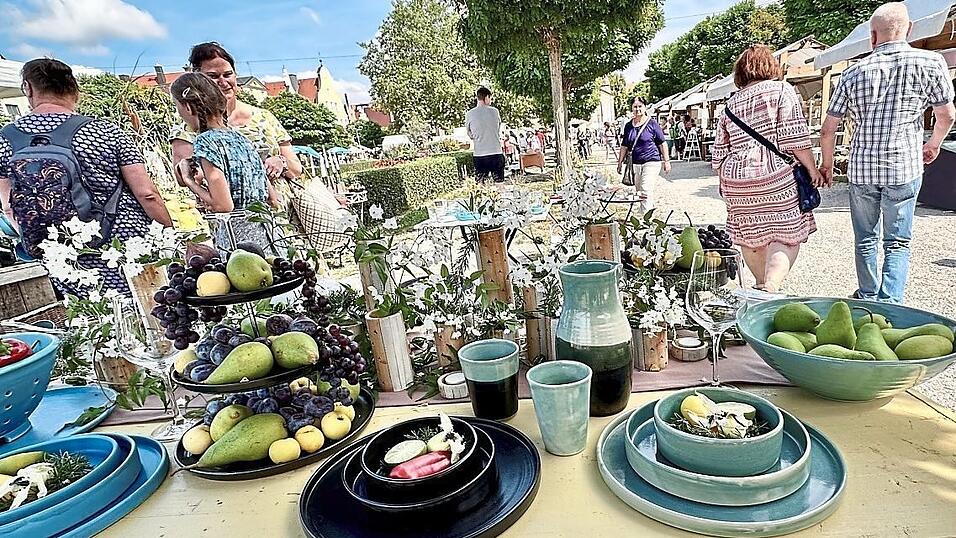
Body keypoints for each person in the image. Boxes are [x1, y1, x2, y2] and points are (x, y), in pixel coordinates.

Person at [820, 2, 955, 303]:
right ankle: (891, 301)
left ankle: (868, 295)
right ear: (908, 30)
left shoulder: (853, 72)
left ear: (872, 36)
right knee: (897, 242)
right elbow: (946, 115)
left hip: (862, 169)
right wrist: (932, 144)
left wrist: (827, 166)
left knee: (865, 239)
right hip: (903, 166)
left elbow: (828, 128)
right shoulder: (931, 62)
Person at [0, 59, 171, 295]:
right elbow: (147, 194)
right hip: (123, 246)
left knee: (93, 320)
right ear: (75, 89)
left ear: (28, 88)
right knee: (148, 316)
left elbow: (9, 208)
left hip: (64, 256)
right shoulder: (106, 131)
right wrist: (169, 235)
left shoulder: (5, 140)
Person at [711, 45, 823, 293]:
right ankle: (771, 285)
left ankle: (760, 286)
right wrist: (813, 170)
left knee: (750, 236)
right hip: (775, 177)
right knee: (784, 233)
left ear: (740, 72)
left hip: (737, 179)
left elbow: (719, 153)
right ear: (770, 66)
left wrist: (726, 183)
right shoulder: (783, 90)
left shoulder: (730, 104)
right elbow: (795, 138)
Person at [171, 43, 304, 208]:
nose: (223, 82)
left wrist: (282, 162)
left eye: (228, 74)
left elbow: (297, 169)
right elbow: (184, 176)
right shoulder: (188, 127)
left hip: (268, 219)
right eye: (213, 76)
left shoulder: (263, 117)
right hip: (253, 220)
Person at [171, 73, 273, 252]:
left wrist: (189, 180)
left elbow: (224, 206)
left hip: (238, 242)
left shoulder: (205, 142)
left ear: (187, 107)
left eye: (177, 106)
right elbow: (272, 197)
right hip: (267, 234)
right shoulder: (241, 138)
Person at [616, 98, 671, 210]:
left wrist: (666, 161)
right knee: (639, 191)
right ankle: (648, 209)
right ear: (631, 108)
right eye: (635, 106)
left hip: (651, 161)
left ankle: (646, 220)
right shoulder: (628, 126)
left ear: (645, 107)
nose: (637, 109)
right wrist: (620, 162)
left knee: (645, 188)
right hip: (635, 163)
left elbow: (662, 143)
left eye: (640, 106)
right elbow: (624, 145)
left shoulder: (652, 124)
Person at [465, 86, 505, 182]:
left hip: (479, 154)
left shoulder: (469, 114)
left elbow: (469, 133)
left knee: (481, 185)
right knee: (499, 183)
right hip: (496, 152)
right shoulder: (495, 112)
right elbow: (498, 127)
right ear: (486, 97)